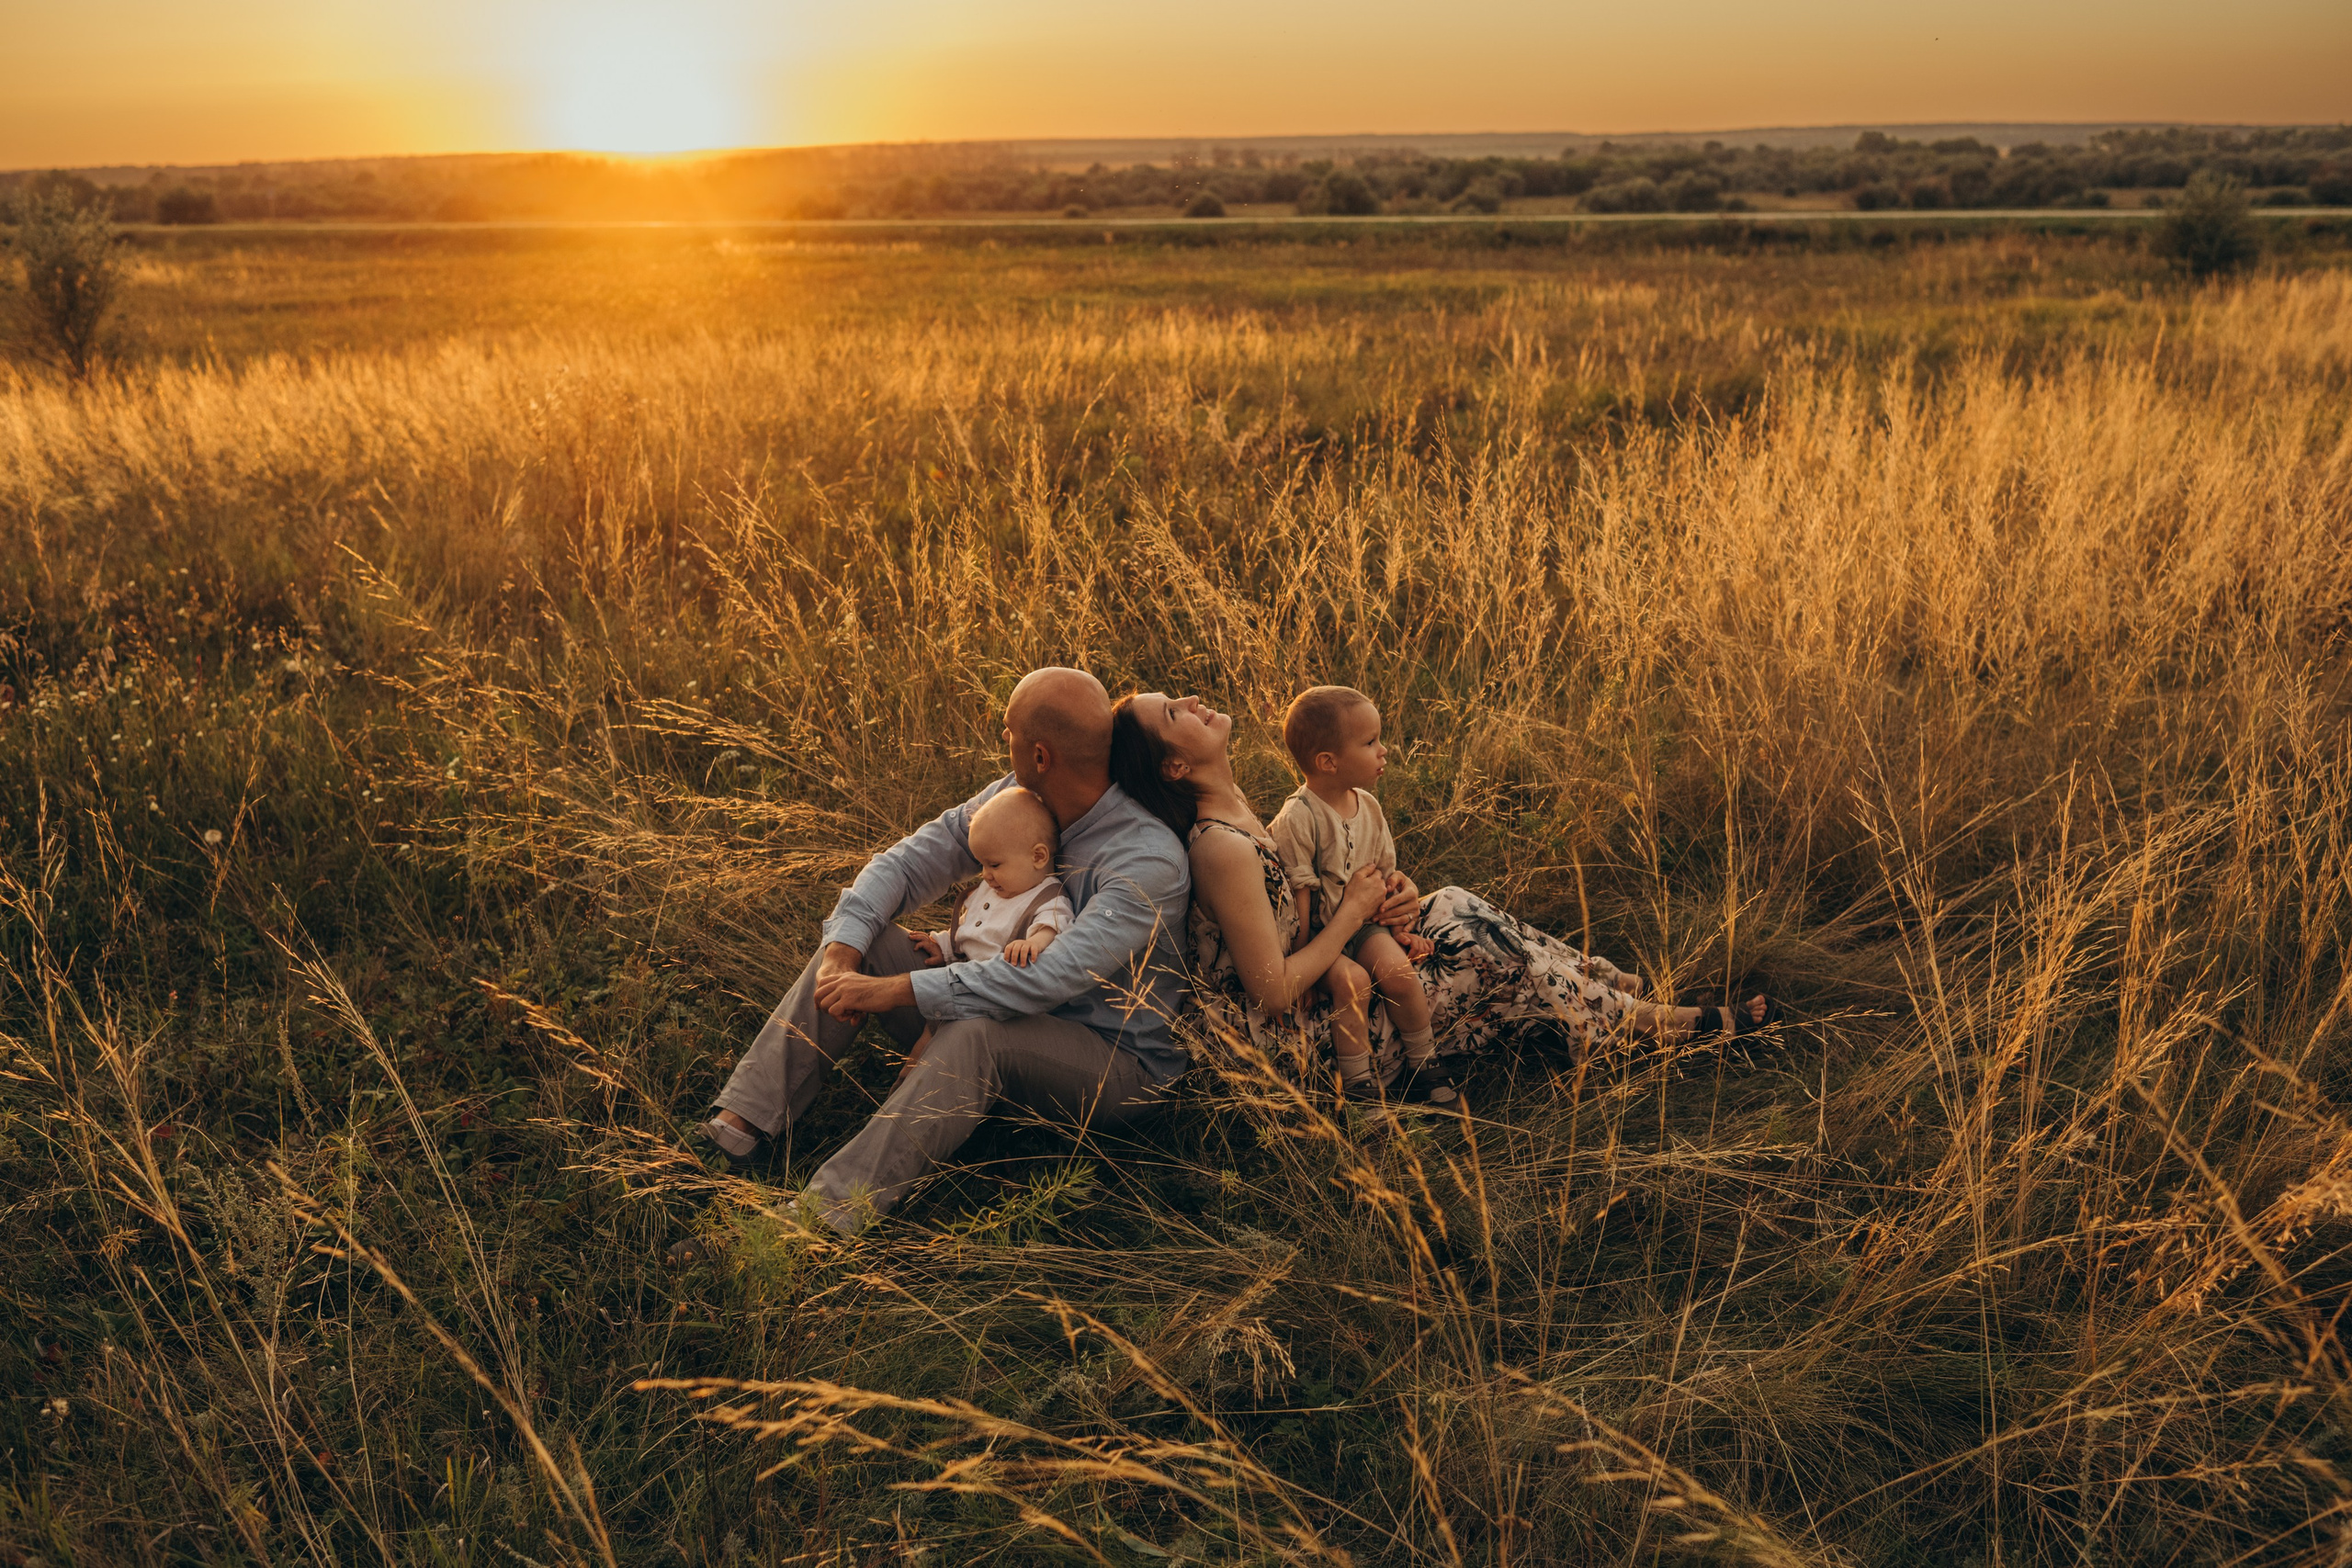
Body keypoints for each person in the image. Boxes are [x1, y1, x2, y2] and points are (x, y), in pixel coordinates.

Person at [682, 668, 1191, 1245]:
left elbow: (1047, 978)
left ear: (1041, 754)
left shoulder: (1146, 859)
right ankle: (734, 1132)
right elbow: (906, 862)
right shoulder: (1020, 798)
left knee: (977, 1033)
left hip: (1112, 1063)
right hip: (1003, 1008)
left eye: (1008, 733)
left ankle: (809, 1225)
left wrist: (899, 991)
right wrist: (840, 957)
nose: (1004, 743)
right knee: (868, 943)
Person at [1108, 690, 1775, 1111]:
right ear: (1174, 765)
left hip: (1339, 969)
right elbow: (1274, 991)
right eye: (1172, 712)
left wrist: (1390, 899)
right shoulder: (1217, 844)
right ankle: (1654, 1026)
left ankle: (1600, 987)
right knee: (1489, 957)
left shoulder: (1244, 811)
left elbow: (1313, 899)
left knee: (1448, 901)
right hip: (1305, 1038)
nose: (1192, 699)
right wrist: (1352, 915)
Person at [1269, 685, 1447, 1105]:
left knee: (1399, 973)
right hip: (1319, 938)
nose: (1383, 751)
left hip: (1365, 927)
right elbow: (1300, 894)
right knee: (1353, 983)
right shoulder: (1300, 816)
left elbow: (1382, 877)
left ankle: (1425, 1063)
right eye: (1370, 743)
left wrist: (1402, 928)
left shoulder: (1367, 806)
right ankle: (1361, 1089)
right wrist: (1304, 965)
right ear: (1328, 762)